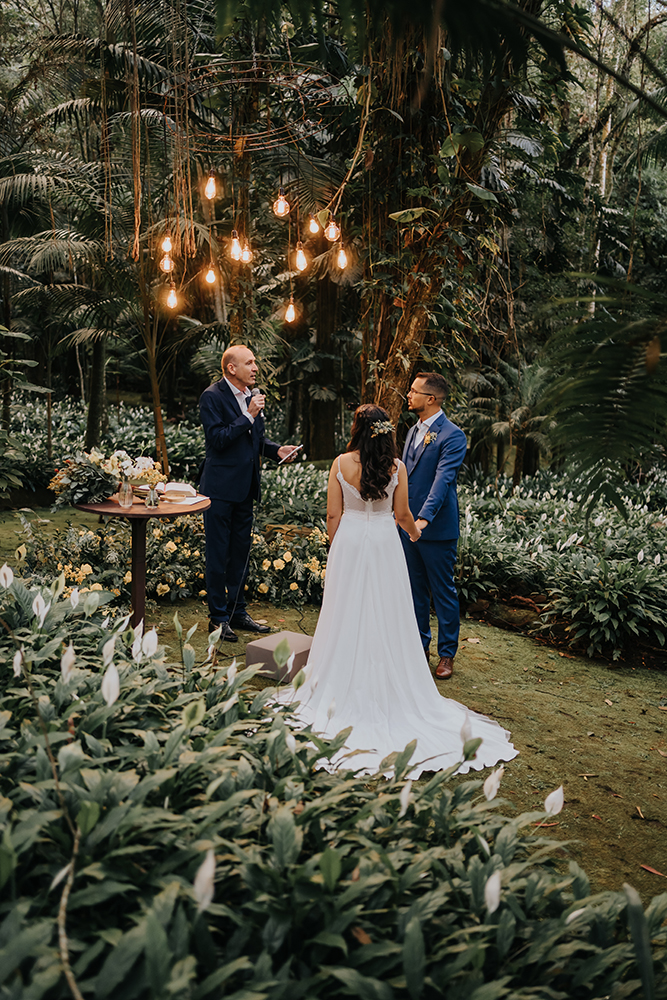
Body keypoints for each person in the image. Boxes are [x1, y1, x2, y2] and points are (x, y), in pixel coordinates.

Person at [280, 404, 517, 777]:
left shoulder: (341, 463)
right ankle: (391, 680)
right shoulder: (397, 467)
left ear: (357, 428)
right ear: (387, 432)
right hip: (386, 544)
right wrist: (415, 533)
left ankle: (340, 680)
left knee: (346, 610)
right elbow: (403, 513)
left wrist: (337, 546)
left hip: (351, 541)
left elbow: (332, 516)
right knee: (388, 611)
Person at [199, 345, 298, 641]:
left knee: (240, 554)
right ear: (231, 368)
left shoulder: (251, 397)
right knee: (218, 554)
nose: (255, 368)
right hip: (219, 489)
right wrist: (248, 415)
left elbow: (254, 438)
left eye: (254, 363)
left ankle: (237, 612)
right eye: (250, 363)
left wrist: (275, 449)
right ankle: (217, 618)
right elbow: (217, 439)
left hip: (246, 488)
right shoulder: (212, 396)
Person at [399, 372, 467, 680]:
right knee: (414, 590)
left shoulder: (452, 435)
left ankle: (447, 654)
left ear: (431, 399)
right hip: (406, 526)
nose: (408, 395)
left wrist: (423, 519)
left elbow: (443, 480)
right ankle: (418, 648)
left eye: (414, 391)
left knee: (443, 592)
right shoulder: (414, 431)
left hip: (435, 530)